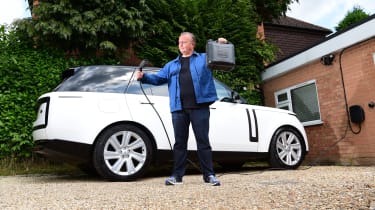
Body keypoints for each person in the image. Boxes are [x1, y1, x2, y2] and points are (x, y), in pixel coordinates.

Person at [135, 32, 227, 186]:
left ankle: (209, 175)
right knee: (179, 143)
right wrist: (143, 77)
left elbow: (220, 56)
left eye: (184, 42)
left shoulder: (205, 59)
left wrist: (221, 44)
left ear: (193, 44)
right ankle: (177, 176)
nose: (181, 45)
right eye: (179, 42)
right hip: (178, 109)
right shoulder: (171, 65)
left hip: (200, 107)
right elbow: (158, 79)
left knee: (203, 142)